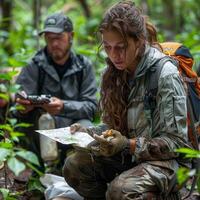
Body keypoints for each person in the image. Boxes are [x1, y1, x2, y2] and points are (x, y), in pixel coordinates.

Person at [63, 1, 190, 199]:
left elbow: (175, 144)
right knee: (75, 166)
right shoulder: (113, 73)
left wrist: (128, 145)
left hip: (168, 164)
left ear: (139, 41)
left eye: (121, 47)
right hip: (129, 157)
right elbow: (115, 126)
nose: (114, 55)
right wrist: (89, 133)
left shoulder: (164, 74)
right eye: (107, 47)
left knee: (120, 190)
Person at [14, 12, 97, 168]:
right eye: (49, 38)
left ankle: (78, 169)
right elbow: (16, 108)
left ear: (71, 36)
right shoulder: (34, 66)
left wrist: (63, 106)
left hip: (72, 126)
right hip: (42, 132)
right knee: (32, 121)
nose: (54, 44)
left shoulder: (83, 66)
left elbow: (92, 108)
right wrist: (23, 108)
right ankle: (39, 170)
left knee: (87, 126)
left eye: (58, 38)